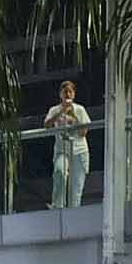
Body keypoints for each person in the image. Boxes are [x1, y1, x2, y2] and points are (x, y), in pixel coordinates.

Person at [43, 76, 95, 210]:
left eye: (70, 91)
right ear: (60, 94)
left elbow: (84, 132)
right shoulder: (54, 109)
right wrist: (61, 112)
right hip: (62, 151)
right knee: (60, 172)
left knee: (76, 187)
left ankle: (73, 212)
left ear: (74, 94)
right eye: (65, 91)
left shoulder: (80, 109)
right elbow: (47, 125)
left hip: (79, 151)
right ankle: (58, 206)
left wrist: (74, 116)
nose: (68, 94)